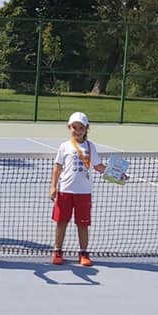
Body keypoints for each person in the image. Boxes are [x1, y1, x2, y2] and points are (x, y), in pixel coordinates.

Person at [49, 112, 106, 267]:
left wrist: (116, 174)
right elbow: (57, 168)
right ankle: (57, 251)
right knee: (61, 222)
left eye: (81, 128)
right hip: (65, 191)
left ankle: (83, 253)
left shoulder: (91, 147)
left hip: (84, 193)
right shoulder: (64, 146)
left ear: (86, 129)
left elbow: (98, 166)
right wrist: (53, 187)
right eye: (74, 127)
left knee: (83, 224)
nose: (77, 131)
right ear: (69, 128)